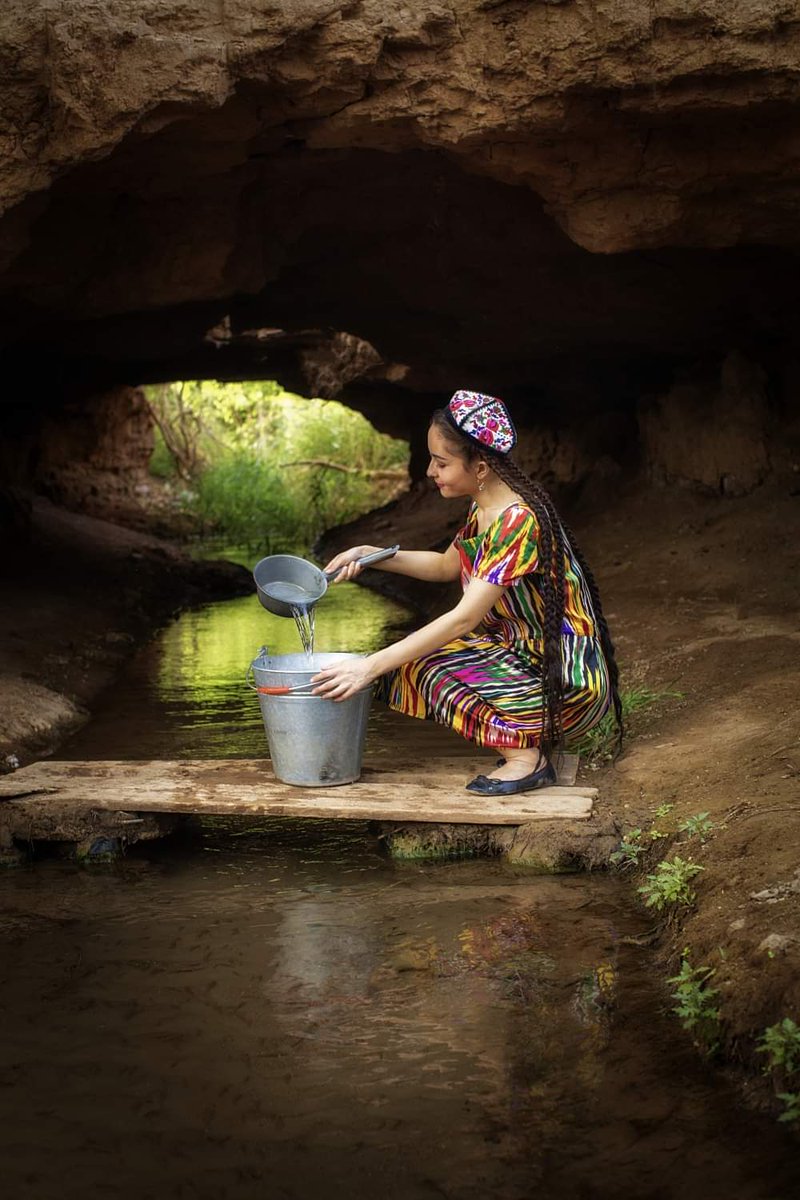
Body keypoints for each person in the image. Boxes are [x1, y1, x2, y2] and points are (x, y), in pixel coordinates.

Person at [311, 390, 622, 796]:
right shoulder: (485, 510)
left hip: (567, 685)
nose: (430, 471)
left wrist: (368, 667)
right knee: (411, 660)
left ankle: (527, 759)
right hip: (525, 659)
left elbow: (464, 618)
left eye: (441, 463)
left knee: (420, 664)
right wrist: (372, 555)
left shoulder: (516, 522)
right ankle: (523, 741)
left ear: (481, 467)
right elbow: (446, 565)